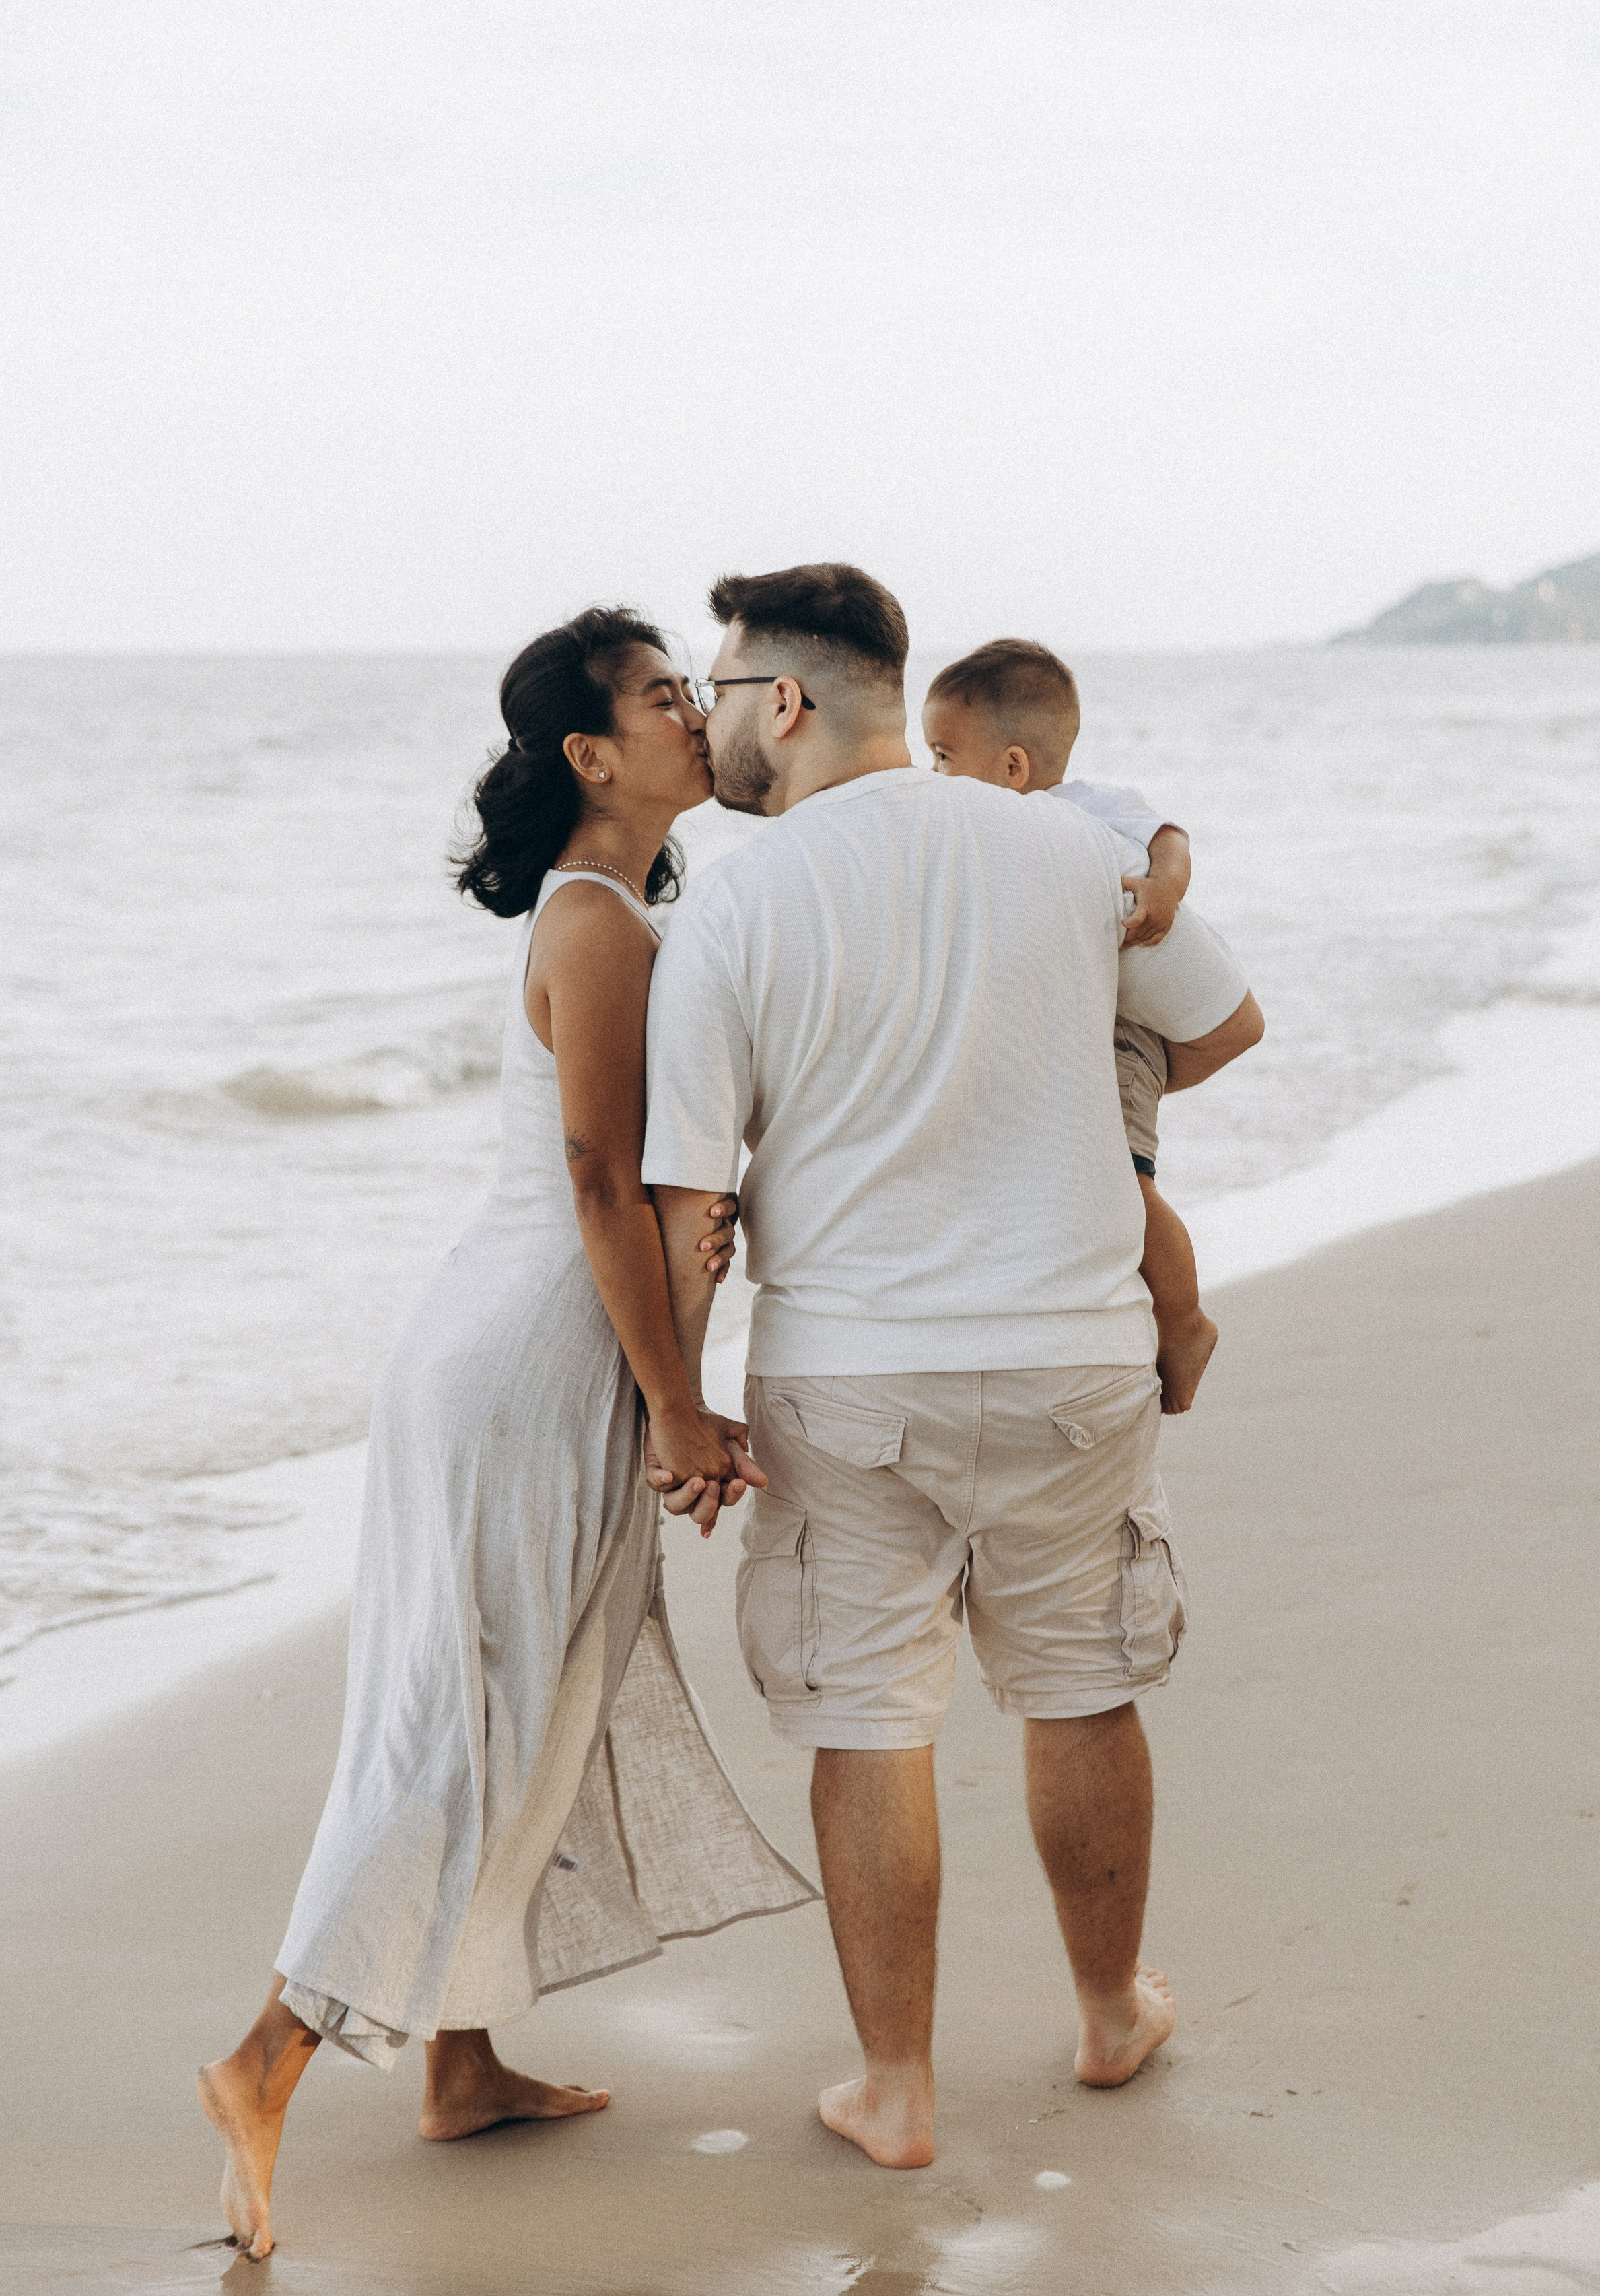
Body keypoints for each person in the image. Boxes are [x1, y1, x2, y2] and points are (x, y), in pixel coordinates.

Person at [197, 609, 816, 2260]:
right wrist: (677, 1400)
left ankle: (459, 2060)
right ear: (590, 758)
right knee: (469, 1722)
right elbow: (599, 1185)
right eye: (661, 697)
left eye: (697, 686)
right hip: (526, 1366)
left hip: (531, 1353)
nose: (694, 711)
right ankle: (267, 2060)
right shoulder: (602, 922)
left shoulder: (625, 904)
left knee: (526, 1699)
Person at [640, 564, 1262, 2169]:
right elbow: (1211, 1022)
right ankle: (1111, 2012)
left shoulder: (732, 902)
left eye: (715, 690)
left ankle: (897, 2089)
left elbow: (685, 1196)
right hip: (1070, 1349)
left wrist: (679, 1408)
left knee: (871, 1717)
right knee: (1080, 1684)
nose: (706, 720)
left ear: (781, 701)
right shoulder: (1068, 846)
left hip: (848, 1374)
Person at [922, 637, 1239, 1413]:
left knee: (1127, 1184)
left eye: (940, 755)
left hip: (1120, 1031)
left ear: (1012, 769)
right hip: (1074, 1024)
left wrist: (1164, 888)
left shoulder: (1088, 811)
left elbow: (1170, 835)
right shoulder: (993, 836)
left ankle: (1184, 1320)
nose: (930, 775)